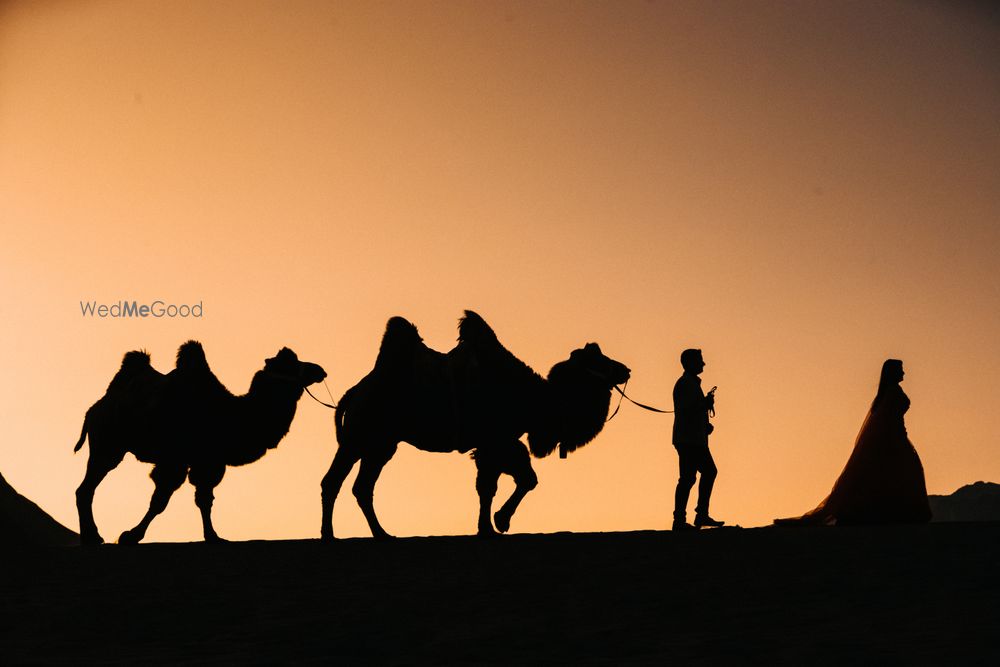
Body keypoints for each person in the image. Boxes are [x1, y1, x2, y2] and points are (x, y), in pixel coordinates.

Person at [775, 359, 932, 525]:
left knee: (895, 475)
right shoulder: (892, 392)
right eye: (900, 369)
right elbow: (888, 421)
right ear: (892, 372)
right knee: (902, 473)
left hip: (897, 439)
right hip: (895, 441)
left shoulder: (890, 392)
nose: (904, 373)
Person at [672, 348, 724, 530]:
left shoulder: (690, 384)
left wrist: (705, 424)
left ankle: (692, 516)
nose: (703, 364)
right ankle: (688, 518)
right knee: (694, 476)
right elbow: (688, 410)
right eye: (700, 360)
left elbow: (690, 410)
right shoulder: (686, 384)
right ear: (690, 363)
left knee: (691, 477)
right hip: (689, 440)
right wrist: (705, 404)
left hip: (692, 439)